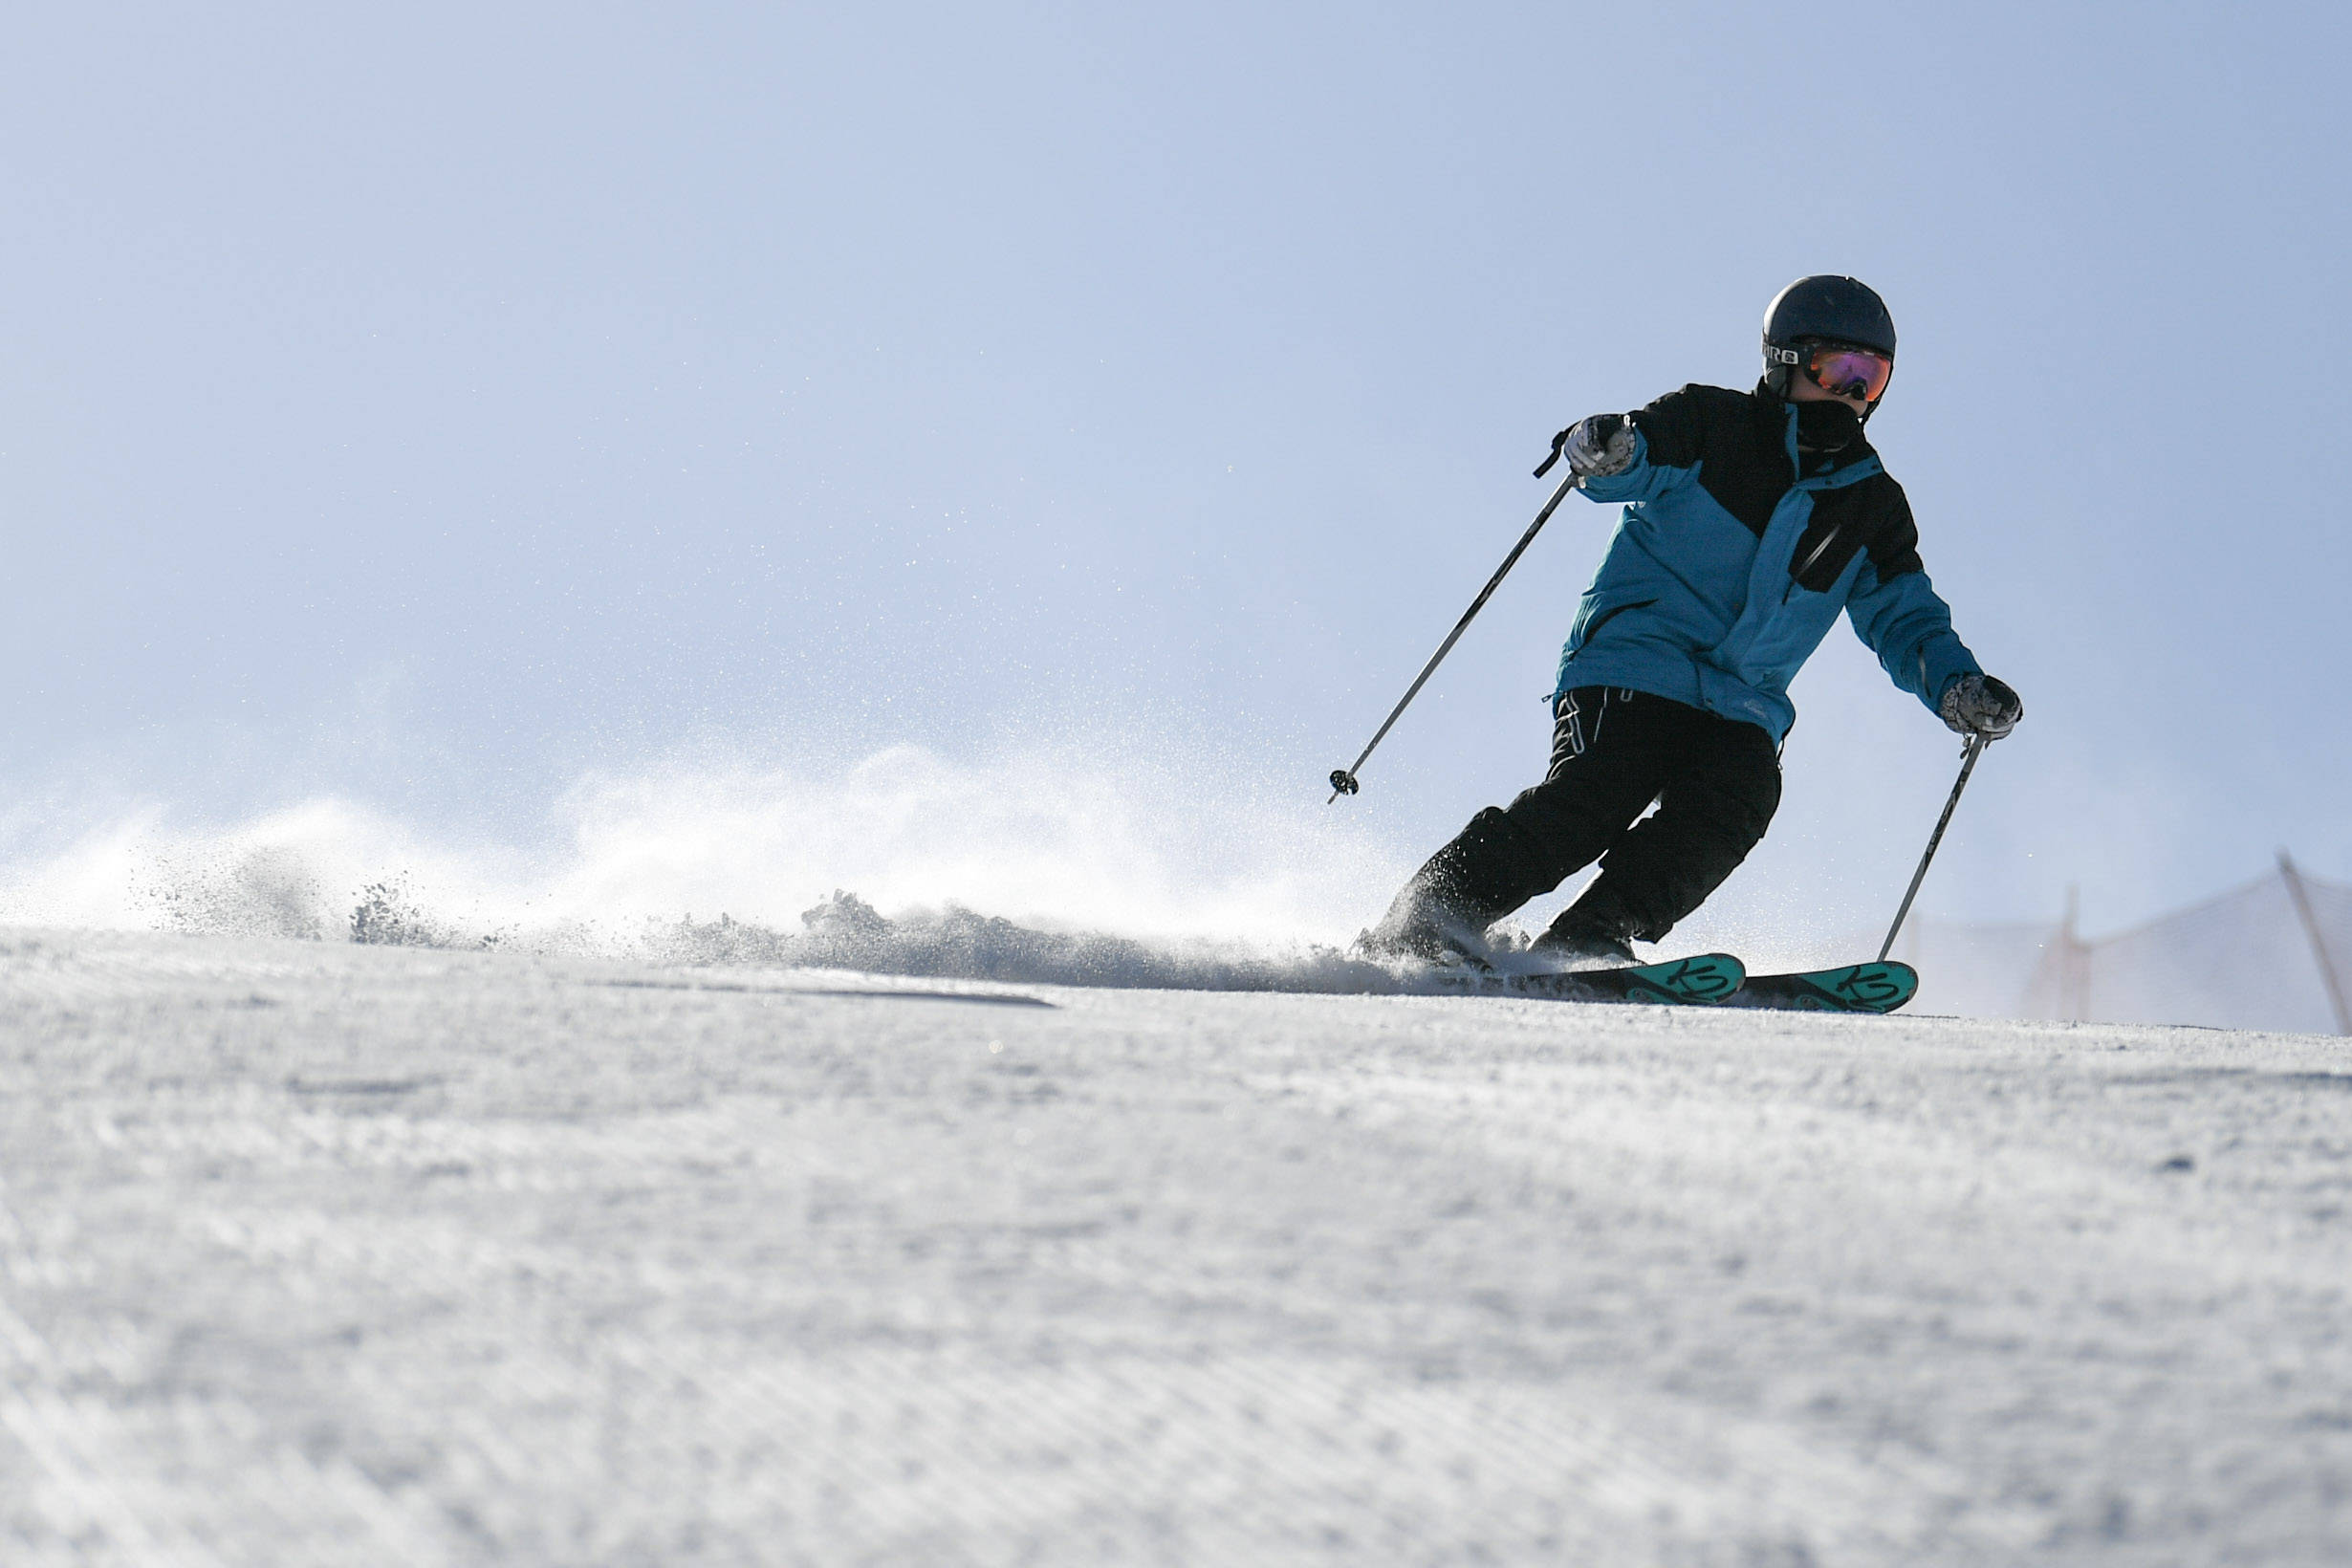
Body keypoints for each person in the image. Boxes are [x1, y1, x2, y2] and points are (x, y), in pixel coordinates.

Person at [1367, 275, 2022, 966]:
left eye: (1873, 377)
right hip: (1635, 664)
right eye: (1839, 369)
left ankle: (1592, 936)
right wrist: (1608, 445)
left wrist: (1957, 687)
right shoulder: (1713, 425)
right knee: (1594, 800)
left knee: (1739, 797)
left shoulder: (1869, 504)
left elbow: (1906, 619)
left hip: (1741, 704)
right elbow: (1635, 454)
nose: (1854, 393)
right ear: (1787, 362)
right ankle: (1430, 916)